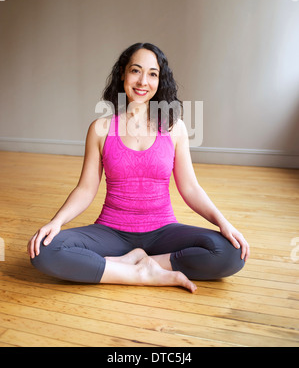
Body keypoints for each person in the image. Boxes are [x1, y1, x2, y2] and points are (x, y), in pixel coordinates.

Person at [28, 42, 250, 293]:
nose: (143, 81)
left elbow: (190, 188)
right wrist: (56, 222)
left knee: (232, 253)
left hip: (163, 232)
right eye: (136, 71)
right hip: (111, 232)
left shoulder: (174, 129)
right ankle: (140, 273)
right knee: (44, 250)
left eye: (152, 74)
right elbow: (86, 189)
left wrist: (223, 223)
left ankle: (139, 265)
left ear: (159, 80)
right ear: (123, 73)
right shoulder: (100, 129)